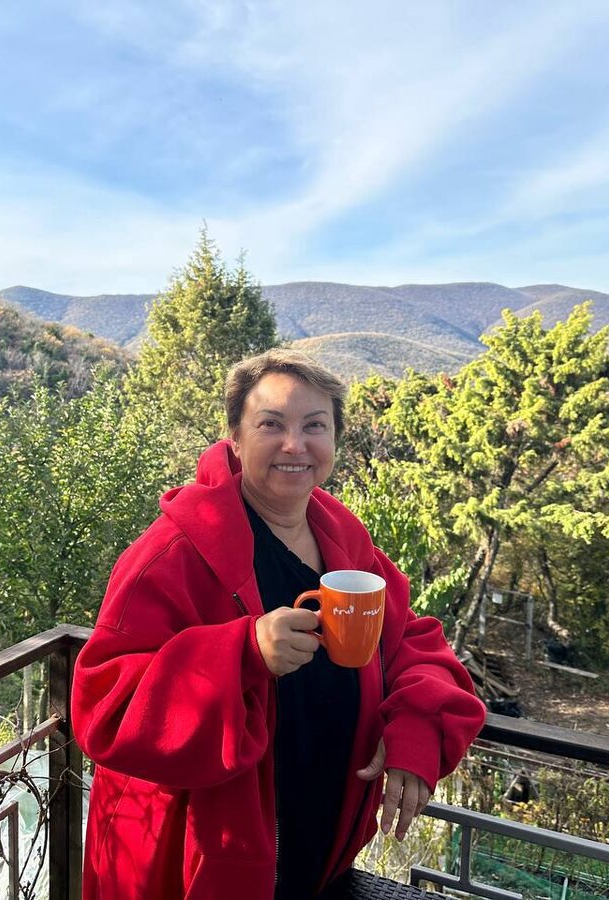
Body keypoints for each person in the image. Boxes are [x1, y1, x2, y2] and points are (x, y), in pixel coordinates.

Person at [71, 349, 486, 900]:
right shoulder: (173, 553)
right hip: (190, 864)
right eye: (271, 424)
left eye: (315, 426)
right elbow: (104, 708)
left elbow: (409, 639)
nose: (295, 445)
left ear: (335, 440)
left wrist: (418, 728)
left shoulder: (342, 537)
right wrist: (242, 653)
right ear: (235, 439)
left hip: (317, 852)